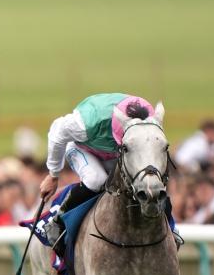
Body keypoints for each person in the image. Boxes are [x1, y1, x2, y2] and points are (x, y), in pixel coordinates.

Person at [38, 93, 172, 247]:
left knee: (148, 180)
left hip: (125, 150)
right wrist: (53, 175)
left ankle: (170, 230)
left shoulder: (149, 121)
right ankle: (58, 221)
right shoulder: (87, 123)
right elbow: (57, 132)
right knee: (96, 180)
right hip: (83, 148)